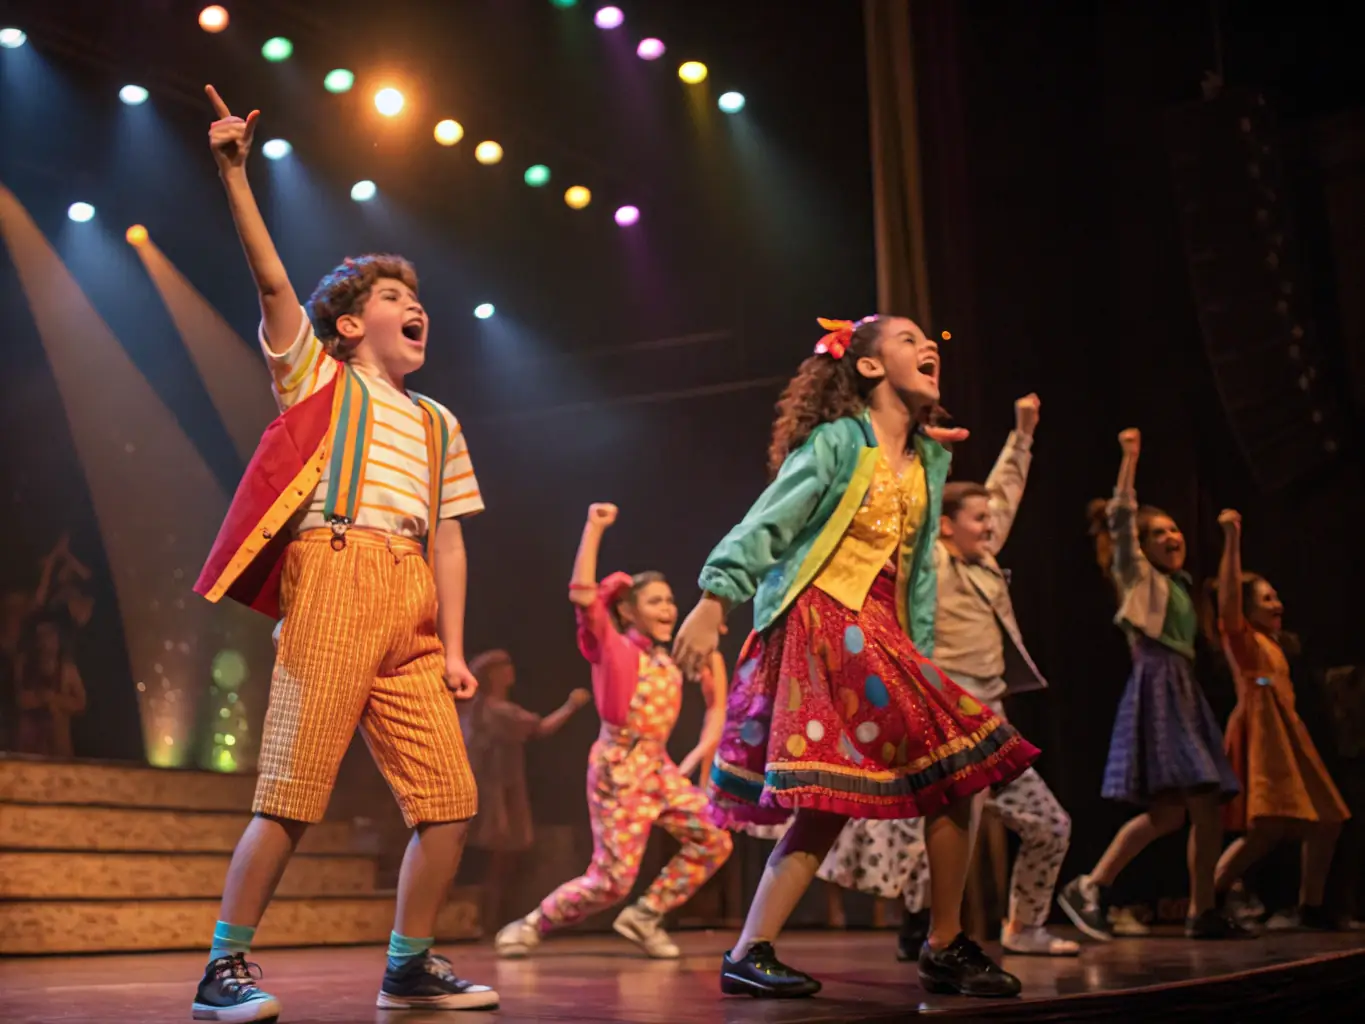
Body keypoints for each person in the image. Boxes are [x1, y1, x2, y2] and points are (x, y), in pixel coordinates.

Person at [189, 85, 495, 1020]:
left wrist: (452, 646)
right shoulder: (319, 378)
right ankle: (222, 968)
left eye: (418, 299)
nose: (415, 307)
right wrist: (234, 174)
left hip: (410, 600)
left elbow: (447, 536)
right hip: (333, 573)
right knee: (290, 791)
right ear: (353, 325)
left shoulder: (439, 423)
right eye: (394, 298)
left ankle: (409, 965)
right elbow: (274, 287)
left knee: (449, 802)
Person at [674, 316, 1038, 999]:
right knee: (874, 788)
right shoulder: (838, 442)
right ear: (868, 367)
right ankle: (913, 945)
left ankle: (930, 943)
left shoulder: (927, 462)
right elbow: (769, 520)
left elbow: (916, 574)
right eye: (907, 340)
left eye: (928, 341)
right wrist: (714, 597)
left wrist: (918, 654)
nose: (926, 347)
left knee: (943, 777)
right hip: (823, 621)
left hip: (880, 634)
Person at [818, 394, 1078, 958]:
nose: (989, 525)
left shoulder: (983, 560)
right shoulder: (931, 562)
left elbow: (1005, 491)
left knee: (1049, 824)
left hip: (993, 720)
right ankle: (926, 931)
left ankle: (1023, 926)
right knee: (944, 829)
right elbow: (915, 514)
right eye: (977, 519)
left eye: (989, 519)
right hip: (946, 718)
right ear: (946, 527)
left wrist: (1023, 433)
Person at [495, 503, 733, 960]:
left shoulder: (668, 658)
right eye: (655, 601)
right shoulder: (613, 647)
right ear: (627, 609)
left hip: (657, 768)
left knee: (715, 839)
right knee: (611, 881)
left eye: (670, 600)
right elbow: (584, 594)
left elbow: (716, 696)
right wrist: (594, 527)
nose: (668, 608)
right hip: (618, 770)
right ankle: (533, 923)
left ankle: (645, 916)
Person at [1057, 428, 1244, 941]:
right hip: (1159, 686)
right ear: (1141, 546)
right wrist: (1130, 458)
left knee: (1173, 814)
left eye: (1174, 530)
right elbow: (1121, 519)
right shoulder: (1138, 578)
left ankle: (1107, 888)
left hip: (1182, 688)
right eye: (1158, 533)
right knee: (1200, 801)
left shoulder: (1180, 588)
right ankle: (1175, 904)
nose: (1171, 537)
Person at [1206, 508, 1349, 928]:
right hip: (1263, 736)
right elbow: (1228, 600)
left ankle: (1310, 908)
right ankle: (1207, 899)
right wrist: (1232, 540)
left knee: (1327, 819)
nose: (1278, 604)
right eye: (1267, 599)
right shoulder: (1243, 640)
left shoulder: (1274, 645)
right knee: (1265, 829)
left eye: (1276, 597)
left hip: (1288, 736)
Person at [460, 649, 592, 931]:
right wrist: (571, 705)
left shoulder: (479, 710)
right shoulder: (498, 711)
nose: (510, 672)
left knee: (494, 861)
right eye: (503, 668)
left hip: (491, 786)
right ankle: (487, 919)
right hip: (497, 790)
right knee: (497, 859)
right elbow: (541, 728)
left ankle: (485, 918)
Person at [14, 614, 86, 758]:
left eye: (49, 634)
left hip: (58, 751)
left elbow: (81, 704)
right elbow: (18, 699)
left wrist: (53, 698)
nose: (45, 641)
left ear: (58, 639)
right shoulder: (23, 664)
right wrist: (39, 698)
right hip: (29, 750)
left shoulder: (68, 669)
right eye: (40, 636)